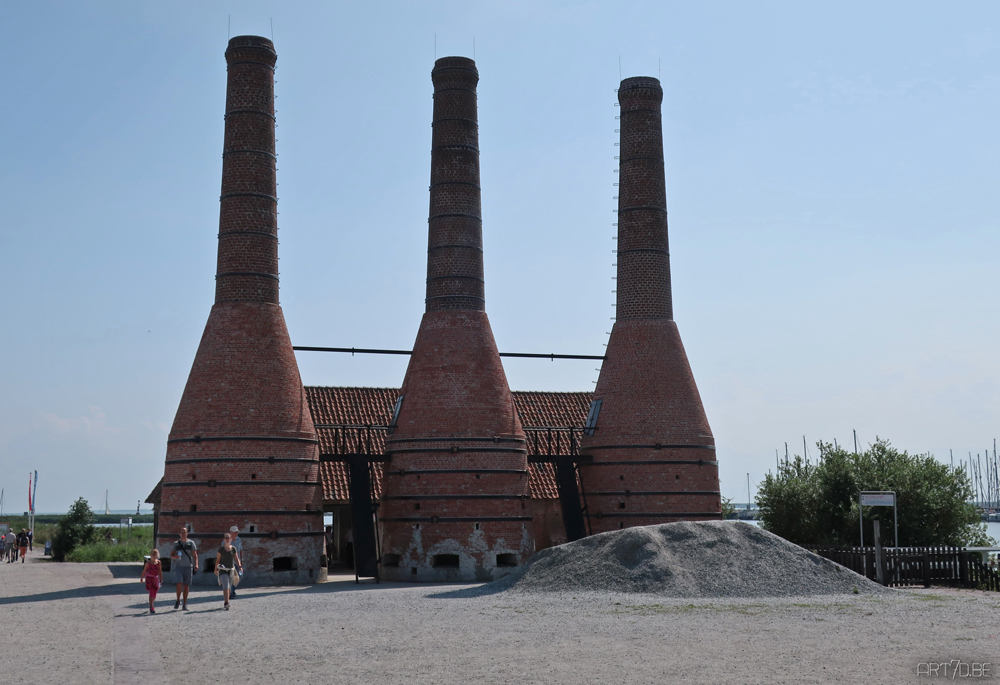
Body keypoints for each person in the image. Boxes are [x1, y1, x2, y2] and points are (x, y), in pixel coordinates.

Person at [171, 528, 198, 610]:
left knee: (186, 585)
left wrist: (196, 564)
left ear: (187, 533)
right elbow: (171, 555)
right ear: (179, 534)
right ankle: (178, 600)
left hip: (188, 567)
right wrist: (175, 556)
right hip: (179, 566)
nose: (183, 534)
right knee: (179, 583)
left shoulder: (191, 543)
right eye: (182, 532)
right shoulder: (176, 544)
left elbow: (195, 555)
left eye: (185, 532)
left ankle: (185, 603)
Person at [214, 533, 243, 610]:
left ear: (230, 539)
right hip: (223, 570)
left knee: (229, 587)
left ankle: (226, 601)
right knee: (226, 586)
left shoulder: (233, 549)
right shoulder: (221, 549)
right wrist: (215, 569)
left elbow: (237, 559)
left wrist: (240, 566)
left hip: (231, 570)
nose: (227, 539)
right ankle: (227, 603)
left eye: (228, 538)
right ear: (224, 539)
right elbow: (217, 560)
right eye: (226, 538)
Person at [228, 526, 242, 598]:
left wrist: (241, 561)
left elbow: (240, 550)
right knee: (231, 578)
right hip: (229, 563)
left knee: (238, 578)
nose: (236, 533)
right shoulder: (227, 541)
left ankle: (232, 591)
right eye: (235, 532)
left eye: (237, 532)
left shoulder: (238, 540)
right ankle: (230, 594)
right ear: (231, 532)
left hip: (237, 562)